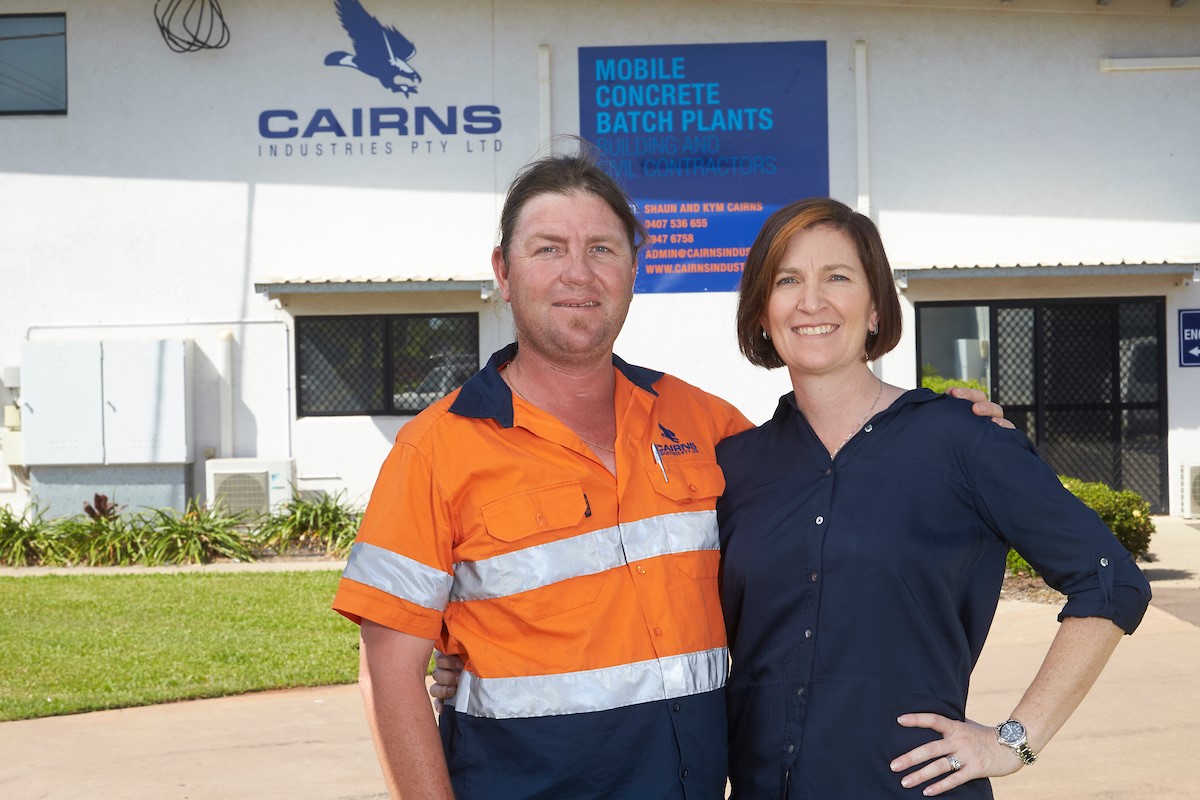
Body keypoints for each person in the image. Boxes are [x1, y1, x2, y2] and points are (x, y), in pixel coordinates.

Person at [335, 149, 1004, 799]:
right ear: (503, 274)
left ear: (634, 269)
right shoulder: (434, 451)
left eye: (602, 248)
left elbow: (835, 487)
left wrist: (937, 430)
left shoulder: (708, 425)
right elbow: (390, 674)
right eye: (547, 249)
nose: (578, 273)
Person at [715, 197, 1152, 798]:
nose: (811, 300)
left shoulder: (961, 439)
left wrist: (1015, 740)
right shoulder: (733, 466)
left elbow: (1110, 581)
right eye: (787, 280)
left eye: (837, 277)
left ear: (874, 310)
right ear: (763, 312)